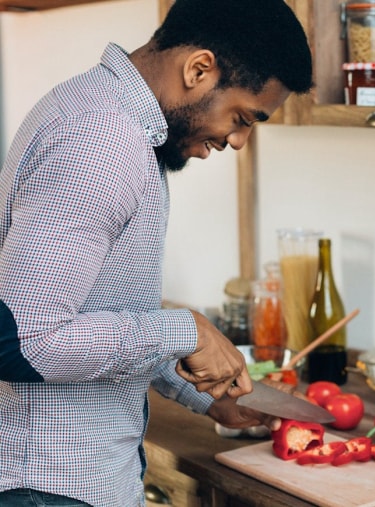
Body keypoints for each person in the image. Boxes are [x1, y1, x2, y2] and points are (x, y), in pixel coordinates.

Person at [0, 0, 312, 505]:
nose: (238, 141)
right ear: (199, 69)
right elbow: (23, 340)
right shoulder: (101, 141)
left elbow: (100, 314)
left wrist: (205, 398)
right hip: (51, 486)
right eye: (240, 117)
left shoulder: (103, 114)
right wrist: (184, 329)